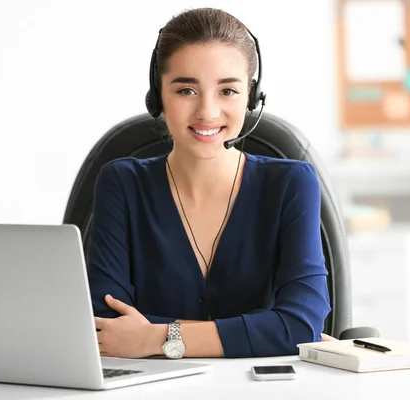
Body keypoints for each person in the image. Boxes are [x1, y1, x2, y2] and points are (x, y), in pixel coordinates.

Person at [86, 7, 331, 359]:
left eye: (227, 91)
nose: (207, 112)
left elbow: (300, 325)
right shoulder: (122, 183)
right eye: (186, 90)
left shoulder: (292, 184)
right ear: (157, 97)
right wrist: (265, 330)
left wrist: (154, 338)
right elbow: (107, 324)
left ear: (251, 96)